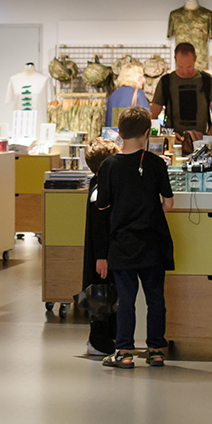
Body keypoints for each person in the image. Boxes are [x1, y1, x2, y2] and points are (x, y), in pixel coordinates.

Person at [95, 107, 175, 369]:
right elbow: (169, 203)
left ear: (119, 133)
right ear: (146, 133)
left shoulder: (108, 165)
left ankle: (125, 351)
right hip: (153, 241)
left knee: (126, 299)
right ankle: (155, 350)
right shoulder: (156, 162)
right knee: (156, 299)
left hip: (122, 243)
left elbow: (103, 205)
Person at [81, 137, 119, 356]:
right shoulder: (100, 190)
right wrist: (102, 256)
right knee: (102, 298)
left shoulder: (99, 184)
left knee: (107, 297)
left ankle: (105, 339)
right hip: (101, 256)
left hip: (102, 254)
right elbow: (98, 225)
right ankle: (98, 341)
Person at [150, 42, 212, 141]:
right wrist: (168, 136)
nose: (185, 71)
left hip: (200, 143)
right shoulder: (166, 82)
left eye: (189, 67)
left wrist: (208, 137)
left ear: (195, 59)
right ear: (175, 60)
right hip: (173, 143)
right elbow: (152, 118)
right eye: (181, 67)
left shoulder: (207, 81)